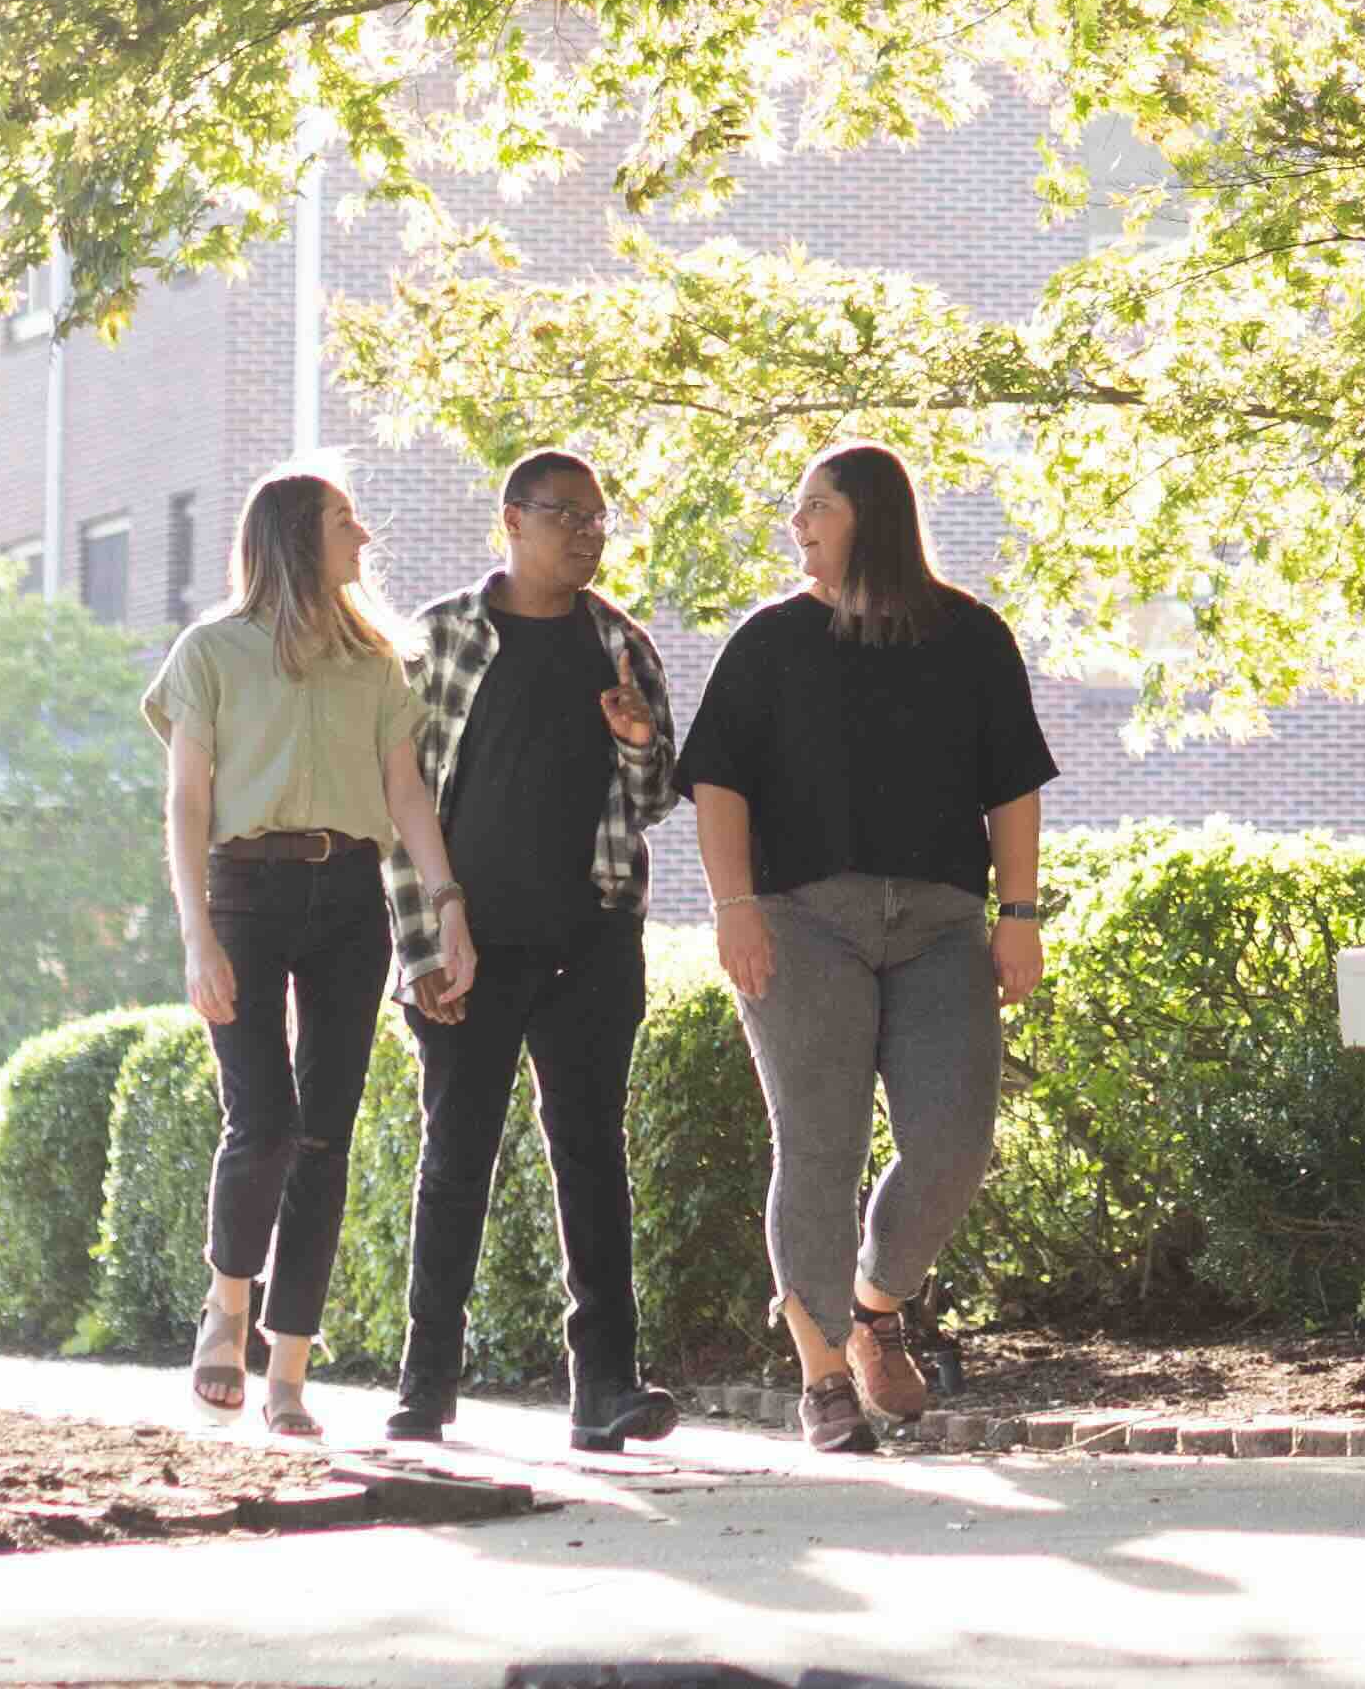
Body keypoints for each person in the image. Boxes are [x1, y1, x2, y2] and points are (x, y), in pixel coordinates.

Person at [675, 440, 1054, 1455]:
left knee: (953, 1140)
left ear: (872, 515)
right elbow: (717, 783)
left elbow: (1011, 786)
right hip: (801, 921)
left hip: (940, 925)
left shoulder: (971, 636)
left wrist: (1018, 915)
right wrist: (733, 905)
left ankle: (875, 1307)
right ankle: (823, 1376)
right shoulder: (769, 641)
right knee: (818, 1144)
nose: (796, 524)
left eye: (817, 506)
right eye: (796, 507)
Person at [145, 464, 464, 1436]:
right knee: (263, 1121)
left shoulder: (375, 663)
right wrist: (196, 935)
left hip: (350, 899)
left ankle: (287, 1370)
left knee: (324, 1134)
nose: (362, 536)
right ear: (294, 537)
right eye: (343, 521)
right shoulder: (210, 652)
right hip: (245, 893)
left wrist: (446, 904)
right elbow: (187, 801)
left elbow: (406, 792)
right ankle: (226, 1306)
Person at [386, 446, 690, 1454]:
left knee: (592, 1156)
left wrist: (637, 740)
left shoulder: (621, 642)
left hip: (592, 936)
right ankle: (425, 1386)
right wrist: (420, 947)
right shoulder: (440, 638)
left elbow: (654, 800)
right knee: (455, 1160)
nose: (588, 534)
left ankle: (604, 1388)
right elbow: (396, 804)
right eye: (568, 515)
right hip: (471, 948)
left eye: (599, 519)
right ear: (513, 520)